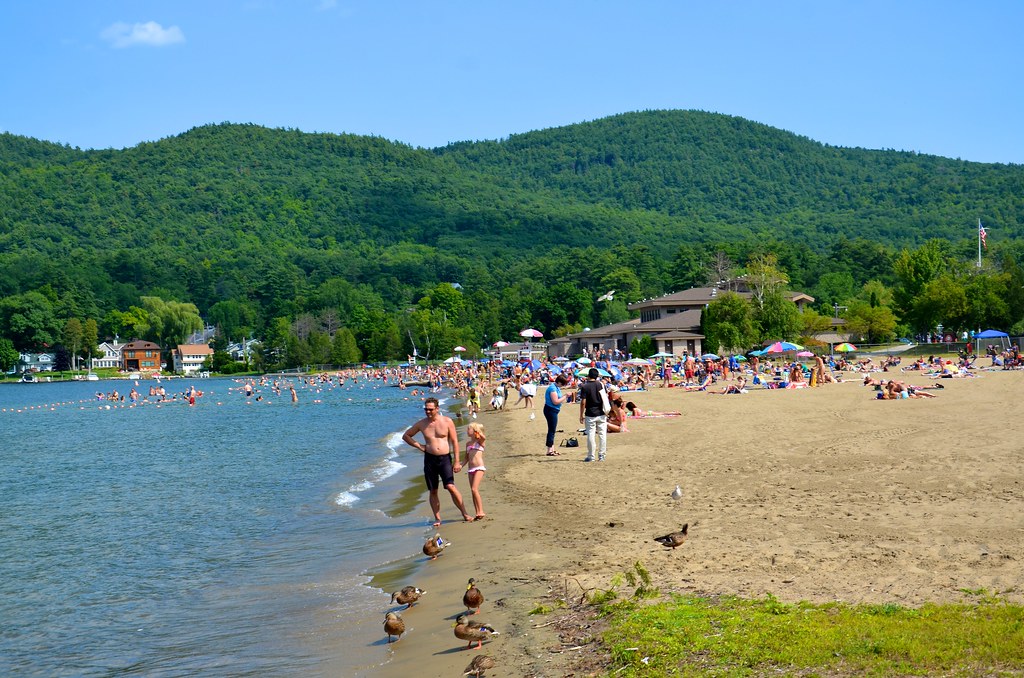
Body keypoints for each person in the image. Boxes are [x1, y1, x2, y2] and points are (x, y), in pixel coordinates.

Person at [402, 397, 473, 526]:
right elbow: (406, 436)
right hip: (430, 459)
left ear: (437, 409)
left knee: (451, 487)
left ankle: (464, 513)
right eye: (426, 409)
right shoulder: (421, 424)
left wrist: (457, 461)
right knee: (433, 490)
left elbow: (454, 442)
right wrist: (420, 446)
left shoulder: (447, 421)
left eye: (430, 409)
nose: (428, 412)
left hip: (445, 458)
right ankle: (437, 518)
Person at [578, 367, 608, 462]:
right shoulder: (601, 385)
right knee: (602, 434)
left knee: (591, 434)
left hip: (590, 413)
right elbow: (605, 397)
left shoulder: (585, 386)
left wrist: (581, 414)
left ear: (588, 376)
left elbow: (583, 402)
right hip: (601, 412)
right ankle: (602, 455)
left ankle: (591, 456)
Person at [462, 422, 488, 520]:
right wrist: (460, 466)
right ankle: (477, 511)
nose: (467, 431)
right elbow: (466, 458)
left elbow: (483, 438)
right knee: (472, 491)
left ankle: (481, 511)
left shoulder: (480, 442)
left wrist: (478, 433)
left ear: (474, 431)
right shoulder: (468, 444)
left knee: (474, 489)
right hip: (470, 469)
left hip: (479, 468)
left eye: (469, 429)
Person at [543, 374, 569, 455]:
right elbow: (555, 401)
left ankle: (552, 449)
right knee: (551, 430)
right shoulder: (552, 388)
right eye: (562, 384)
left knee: (552, 430)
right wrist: (565, 396)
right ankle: (549, 450)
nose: (562, 386)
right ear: (559, 382)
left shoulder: (556, 387)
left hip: (553, 410)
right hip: (550, 410)